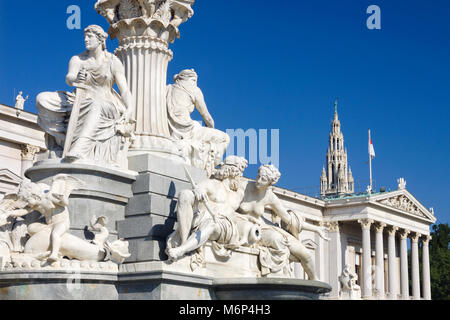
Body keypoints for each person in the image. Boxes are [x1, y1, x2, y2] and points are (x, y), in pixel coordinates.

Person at [37, 25, 134, 165]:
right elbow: (69, 78)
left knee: (96, 105)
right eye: (85, 37)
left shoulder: (113, 62)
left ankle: (80, 148)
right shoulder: (78, 59)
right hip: (78, 98)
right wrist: (76, 79)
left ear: (100, 40)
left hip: (105, 102)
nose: (86, 40)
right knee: (42, 99)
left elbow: (124, 90)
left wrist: (129, 109)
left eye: (90, 37)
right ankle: (63, 140)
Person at [238, 165, 329, 280]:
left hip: (266, 227)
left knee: (307, 255)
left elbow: (289, 219)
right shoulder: (244, 186)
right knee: (278, 240)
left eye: (263, 179)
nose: (258, 180)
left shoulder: (270, 196)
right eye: (258, 176)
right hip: (249, 228)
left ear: (270, 183)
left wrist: (316, 229)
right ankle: (277, 273)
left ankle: (315, 284)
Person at [166, 156, 248, 262]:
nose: (240, 177)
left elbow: (247, 212)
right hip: (205, 218)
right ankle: (184, 242)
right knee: (185, 194)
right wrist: (198, 191)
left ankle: (182, 249)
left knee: (212, 224)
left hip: (226, 227)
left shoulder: (239, 194)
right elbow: (199, 188)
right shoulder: (212, 184)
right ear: (232, 171)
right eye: (239, 173)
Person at [167, 69, 230, 176]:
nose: (194, 82)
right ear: (192, 79)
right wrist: (210, 128)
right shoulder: (194, 89)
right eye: (194, 80)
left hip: (169, 130)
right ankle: (207, 167)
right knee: (225, 138)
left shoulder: (167, 88)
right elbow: (206, 117)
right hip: (188, 129)